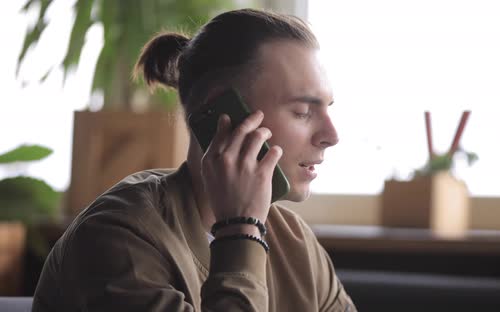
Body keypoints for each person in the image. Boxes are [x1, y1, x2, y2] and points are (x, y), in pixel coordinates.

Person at [32, 8, 356, 312]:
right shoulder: (117, 237)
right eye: (302, 112)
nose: (331, 134)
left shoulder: (296, 243)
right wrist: (240, 231)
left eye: (328, 107)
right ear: (221, 115)